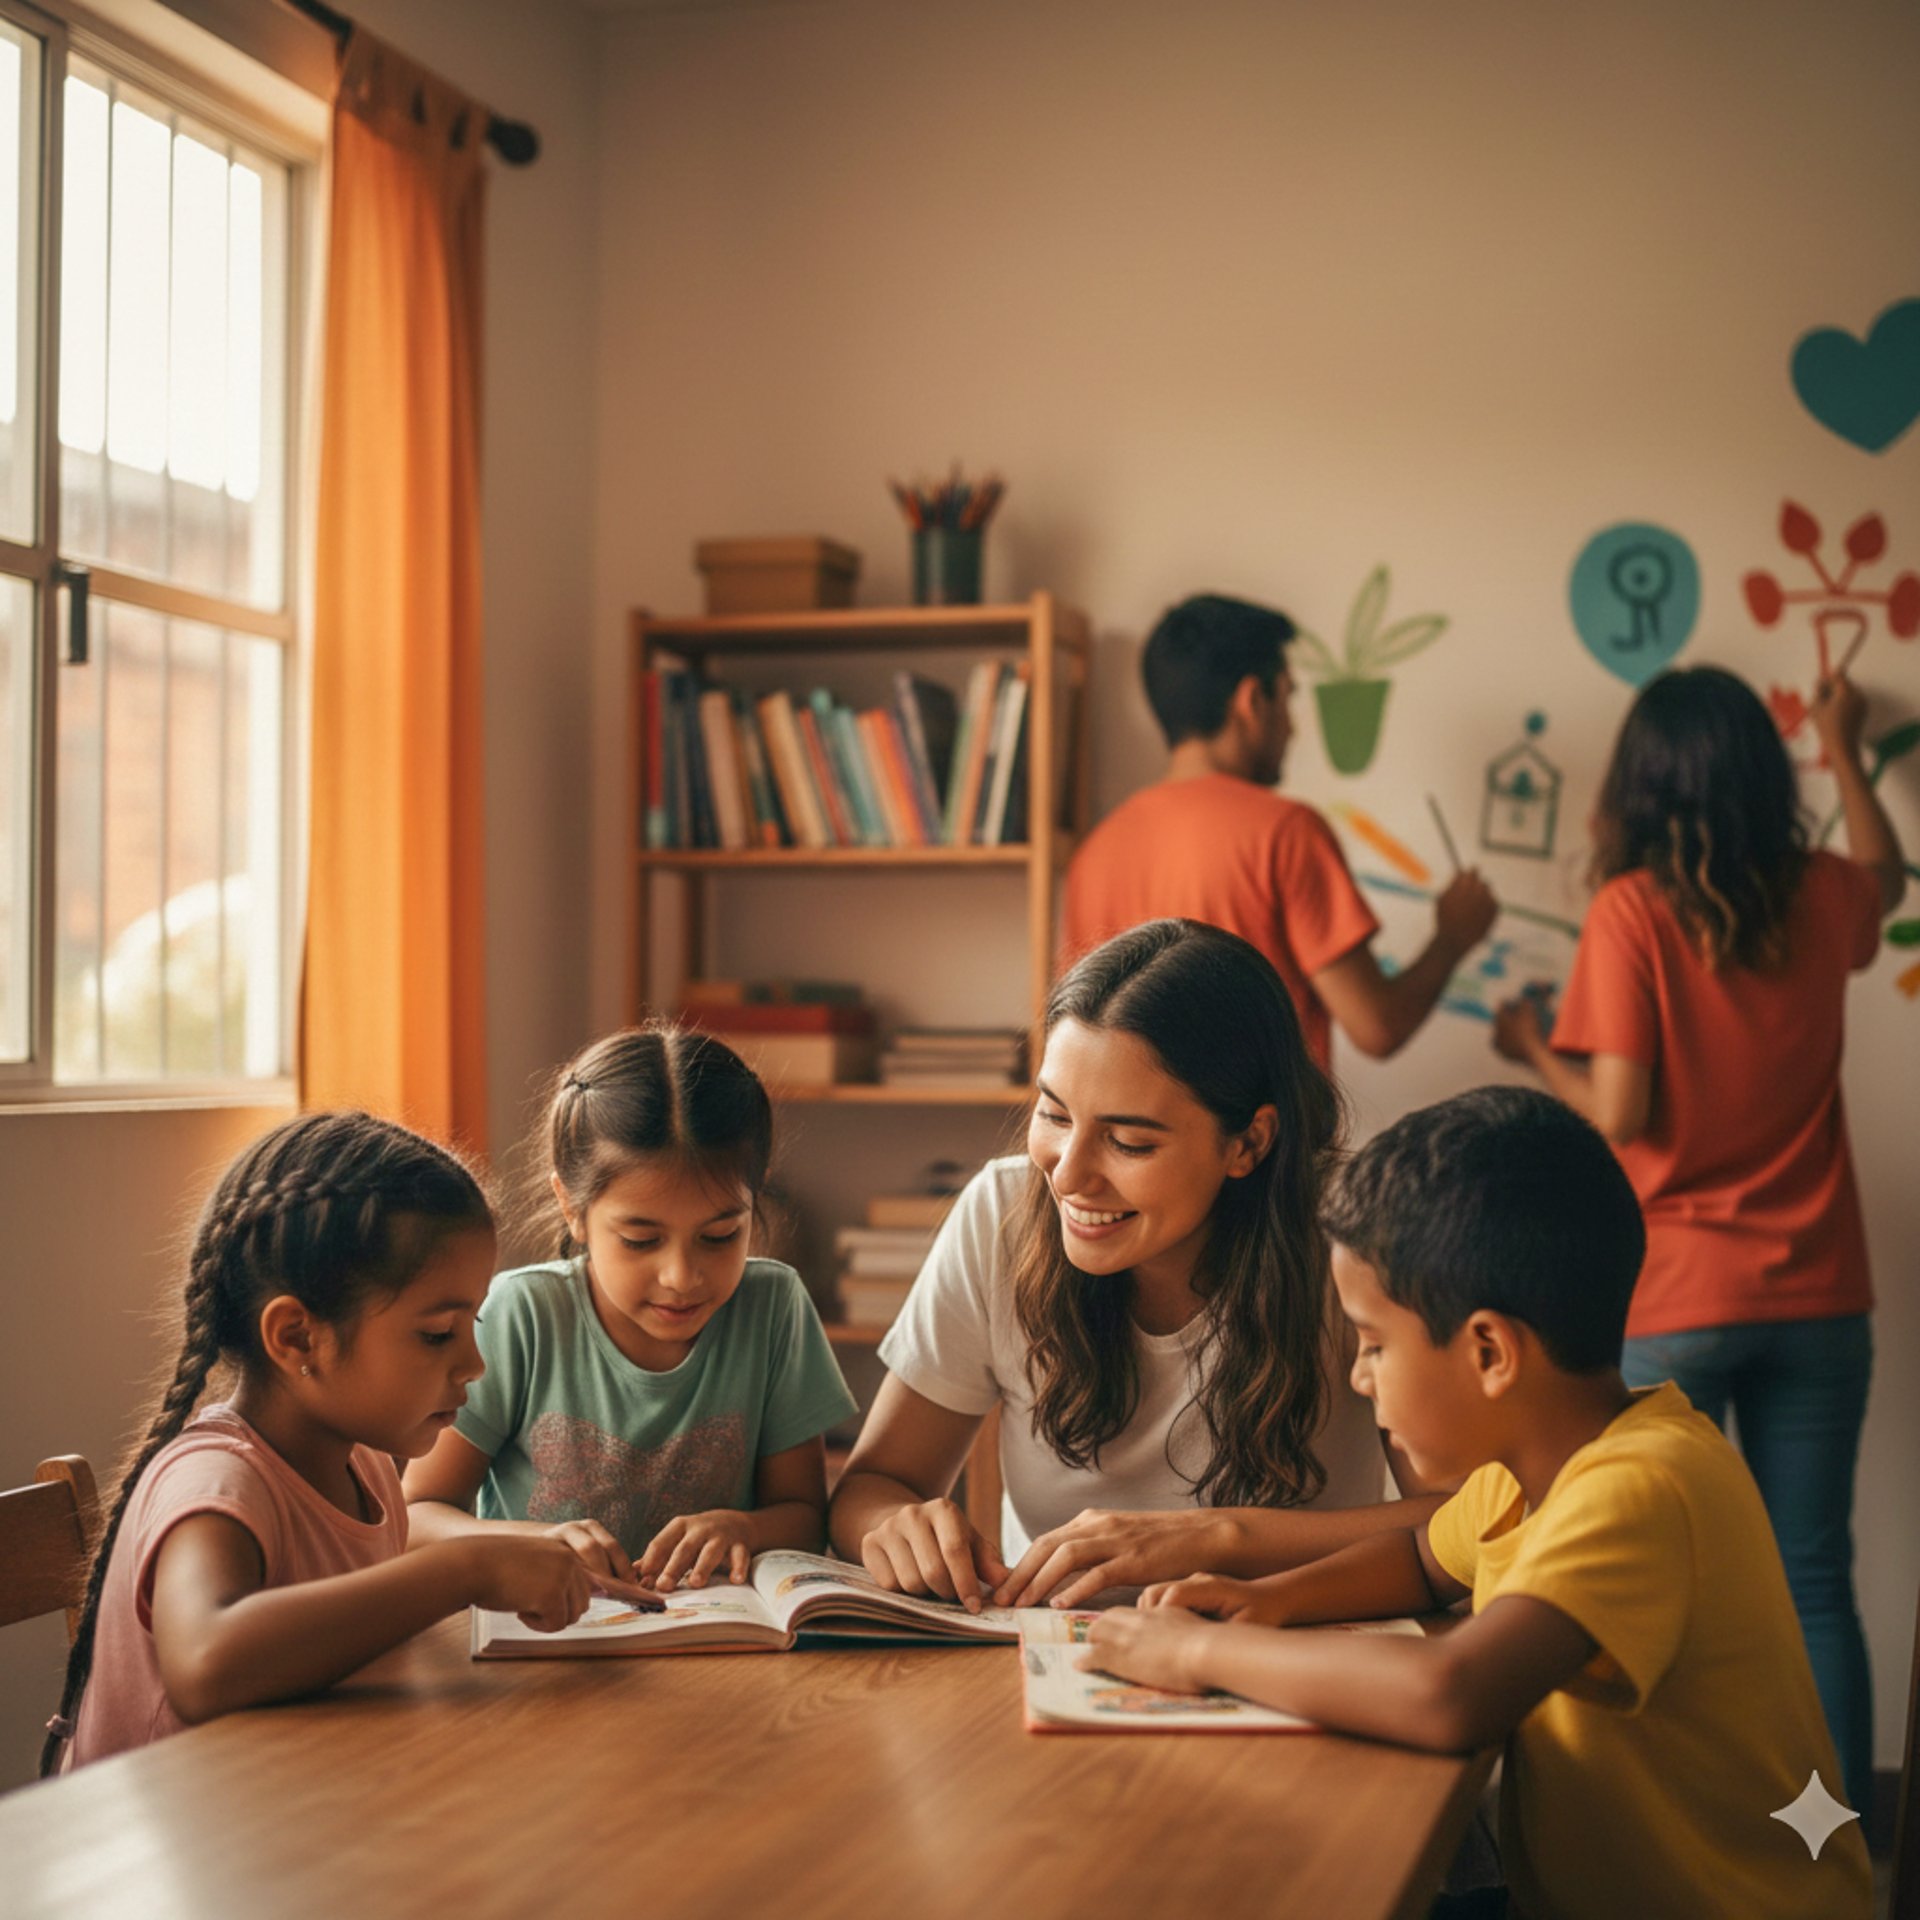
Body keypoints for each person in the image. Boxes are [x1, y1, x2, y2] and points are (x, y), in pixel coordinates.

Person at [1084, 1087, 1873, 1920]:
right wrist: (1267, 1601)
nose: (1358, 1376)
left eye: (1376, 1344)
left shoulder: (1641, 1487)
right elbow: (1421, 1563)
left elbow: (1450, 1695)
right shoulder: (1527, 1471)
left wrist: (1197, 1658)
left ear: (1490, 1352)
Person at [1491, 665, 1903, 1809]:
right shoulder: (1823, 892)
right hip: (1822, 1293)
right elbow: (1887, 874)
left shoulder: (1631, 910)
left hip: (1676, 1302)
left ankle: (1694, 1836)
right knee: (1814, 1578)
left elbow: (1618, 1114)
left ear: (1642, 785)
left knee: (1644, 1577)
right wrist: (1844, 744)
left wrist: (1531, 1044)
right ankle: (1833, 1849)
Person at [828, 918, 1436, 1614]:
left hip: (1286, 1656)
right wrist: (895, 1526)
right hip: (1051, 1661)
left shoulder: (1354, 1237)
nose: (1070, 1175)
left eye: (1128, 1142)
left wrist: (1216, 1538)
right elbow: (871, 1489)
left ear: (1249, 1143)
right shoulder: (1001, 1211)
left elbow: (1468, 1524)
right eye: (1054, 1116)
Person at [45, 1111, 596, 1774]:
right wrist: (464, 1571)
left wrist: (512, 1551)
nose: (474, 1364)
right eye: (437, 1334)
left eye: (471, 1324)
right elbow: (206, 1663)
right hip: (159, 1853)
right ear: (298, 1337)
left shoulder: (364, 1467)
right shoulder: (217, 1481)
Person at [406, 1024, 856, 1590]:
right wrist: (536, 1542)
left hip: (721, 1645)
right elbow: (417, 1515)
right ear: (572, 1208)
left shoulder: (773, 1307)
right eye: (641, 1240)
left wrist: (744, 1528)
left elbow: (805, 1517)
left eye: (720, 1235)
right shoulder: (523, 1316)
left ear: (754, 1198)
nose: (681, 1277)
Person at [1059, 593, 1497, 1071]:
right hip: (1265, 1143)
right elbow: (1377, 1025)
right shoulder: (1286, 832)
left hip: (1137, 1141)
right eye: (1287, 696)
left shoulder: (1096, 854)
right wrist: (1452, 937)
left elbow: (1077, 1031)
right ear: (1252, 700)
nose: (1292, 728)